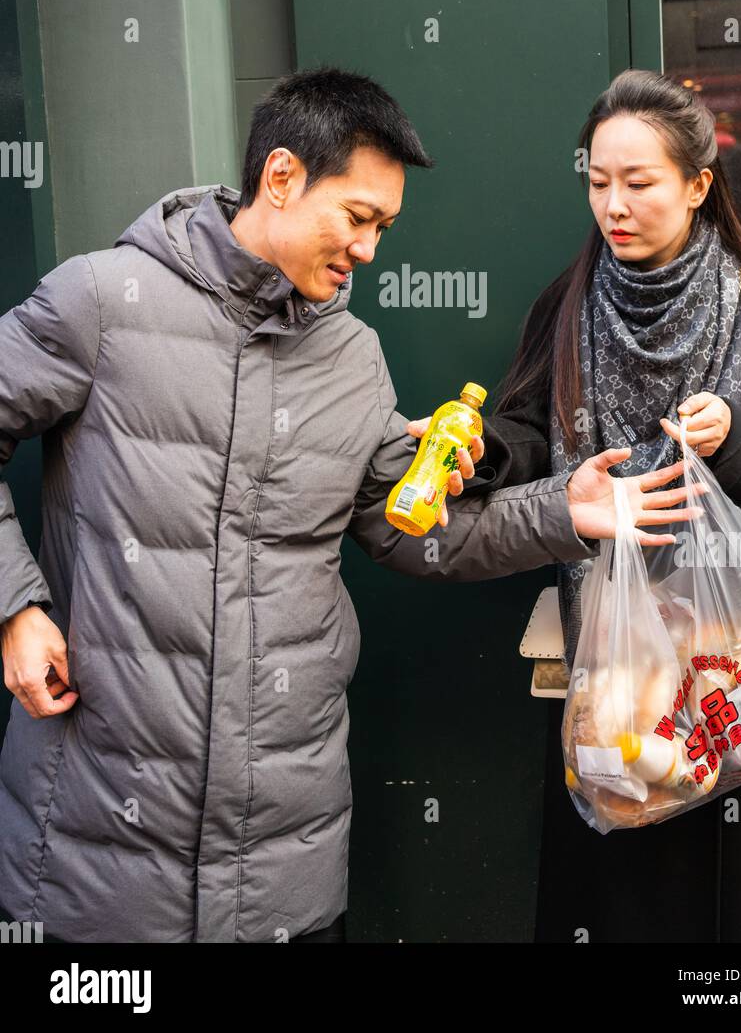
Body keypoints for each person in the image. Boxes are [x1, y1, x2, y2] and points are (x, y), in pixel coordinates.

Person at [0, 66, 701, 944]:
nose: (370, 250)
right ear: (283, 177)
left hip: (284, 867)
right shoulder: (101, 302)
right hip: (96, 865)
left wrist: (566, 511)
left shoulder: (353, 353)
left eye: (385, 228)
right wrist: (15, 610)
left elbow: (403, 532)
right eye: (359, 218)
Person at [461, 68, 741, 944]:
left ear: (698, 186)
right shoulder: (564, 305)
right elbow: (524, 433)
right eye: (598, 183)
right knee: (618, 882)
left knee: (737, 909)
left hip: (731, 668)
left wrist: (736, 439)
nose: (613, 206)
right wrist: (477, 451)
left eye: (638, 184)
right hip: (608, 655)